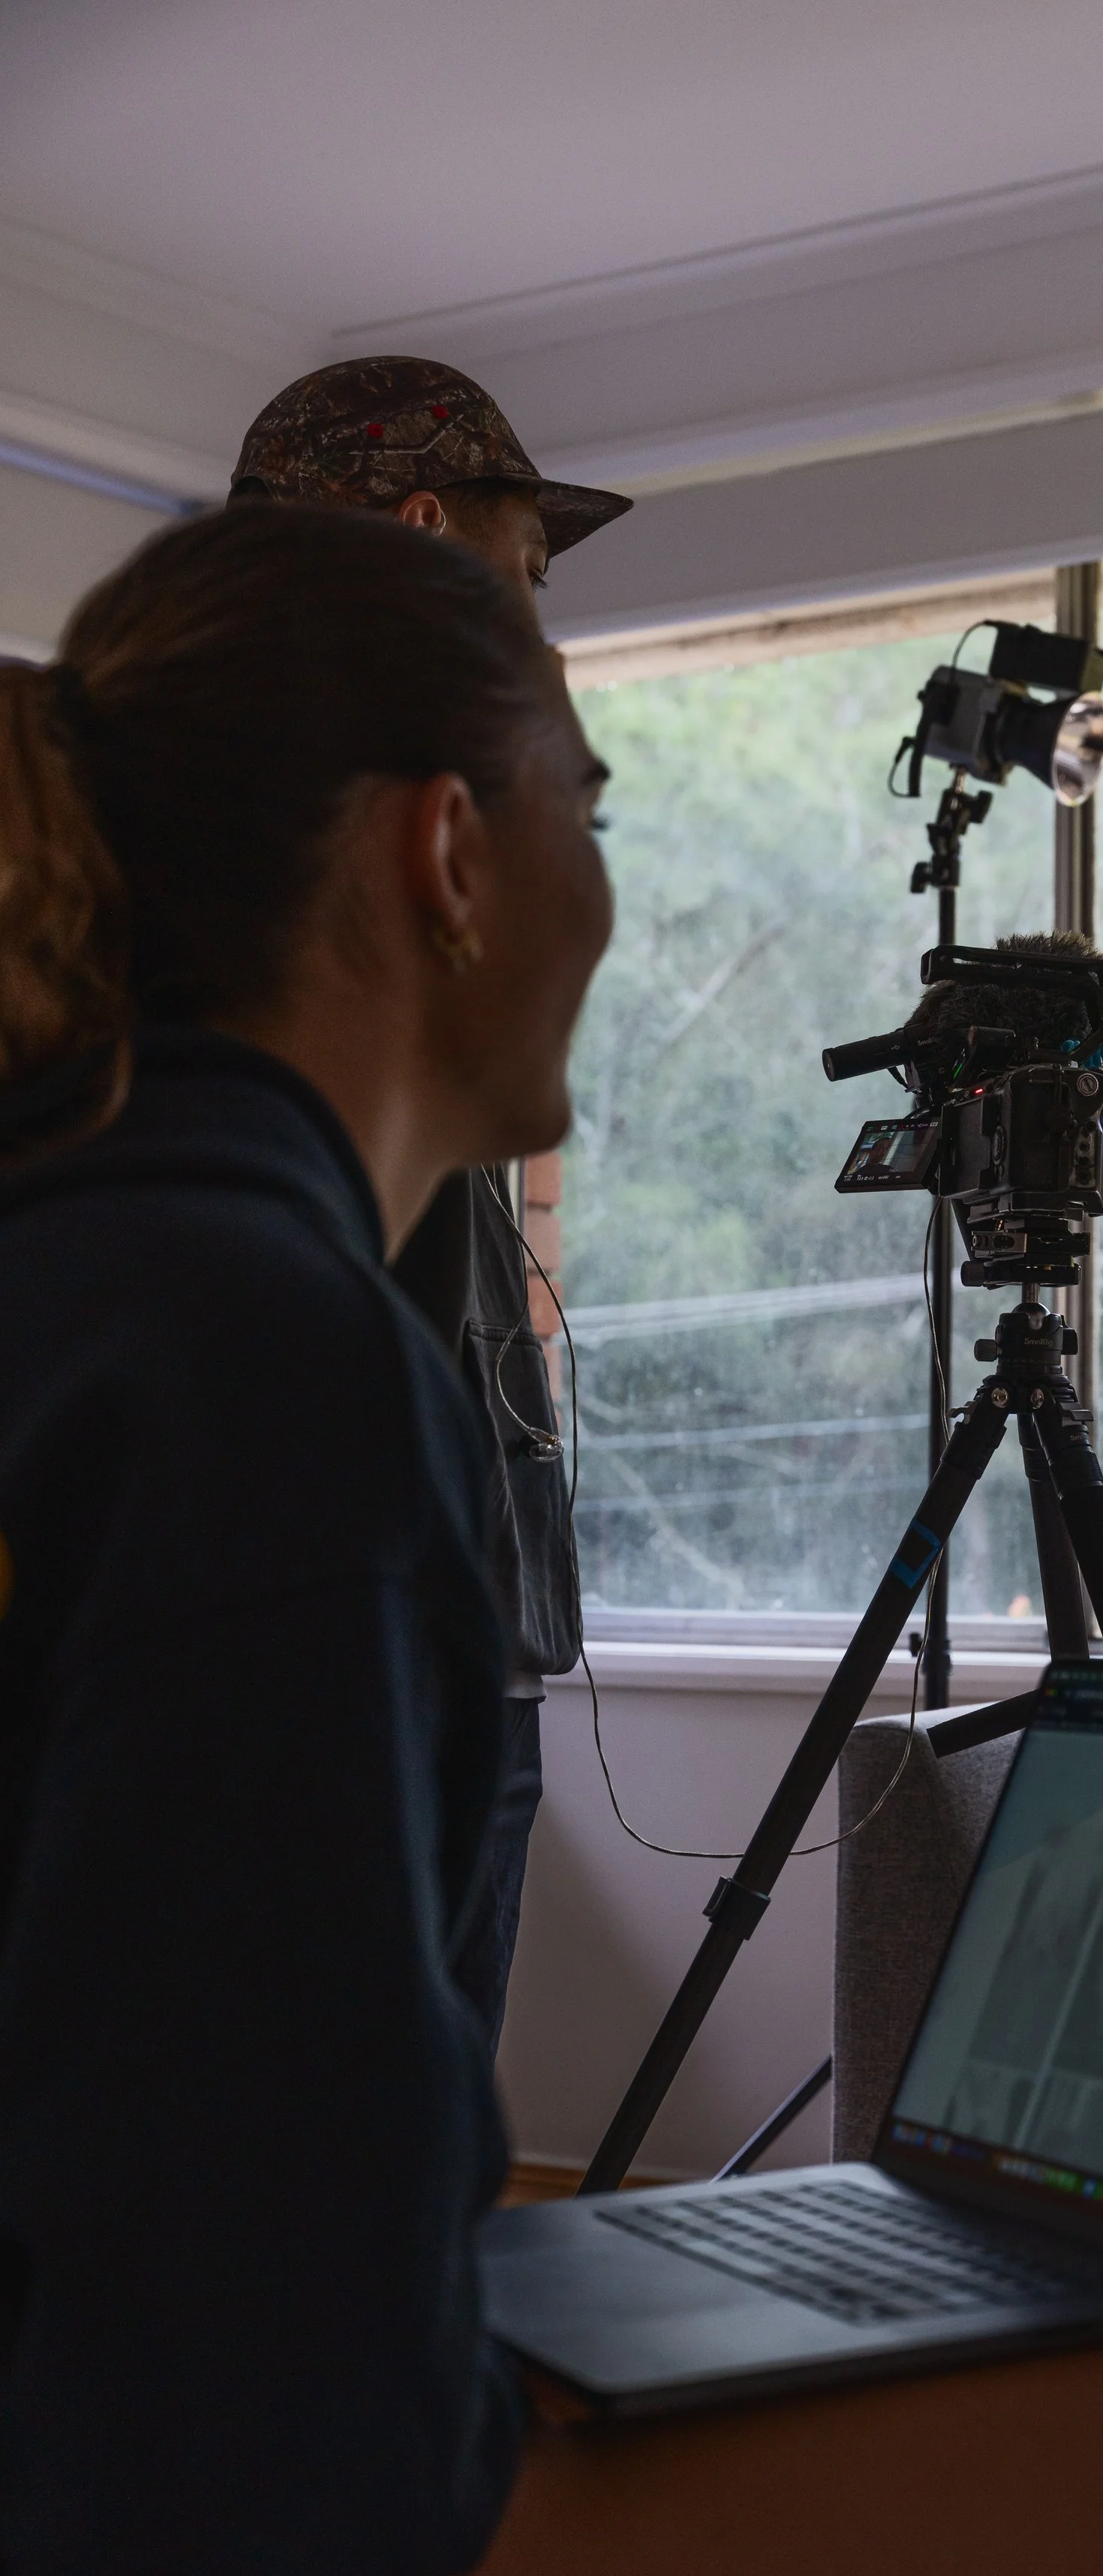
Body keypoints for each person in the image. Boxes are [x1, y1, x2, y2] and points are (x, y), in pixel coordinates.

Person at [0, 504, 1103, 2576]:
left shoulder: (75, 1271)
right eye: (594, 809)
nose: (606, 888)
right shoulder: (268, 1366)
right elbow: (258, 2479)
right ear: (447, 852)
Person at [227, 354, 632, 2043]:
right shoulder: (263, 852)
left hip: (464, 1607)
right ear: (416, 530)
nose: (543, 642)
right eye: (523, 575)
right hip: (354, 1635)